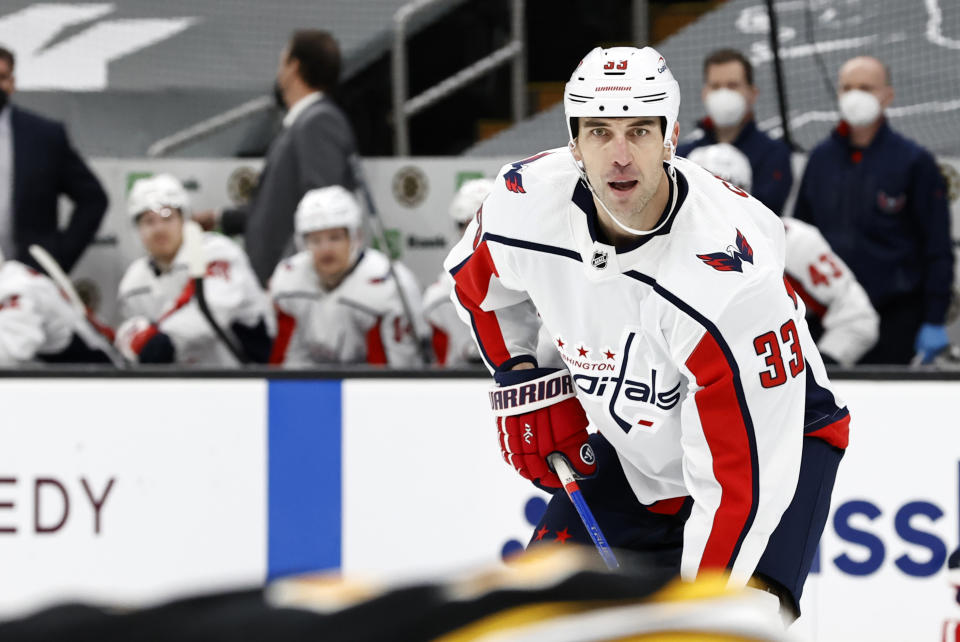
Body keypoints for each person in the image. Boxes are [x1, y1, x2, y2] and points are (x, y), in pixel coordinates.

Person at [444, 46, 849, 621]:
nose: (619, 156)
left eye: (638, 130)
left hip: (774, 447)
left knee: (720, 630)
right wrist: (517, 374)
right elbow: (476, 287)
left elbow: (739, 485)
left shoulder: (726, 279)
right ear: (573, 142)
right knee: (527, 624)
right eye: (599, 132)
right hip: (636, 447)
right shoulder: (524, 205)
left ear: (671, 137)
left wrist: (694, 618)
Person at [794, 55, 954, 365]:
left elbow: (937, 247)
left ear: (887, 95)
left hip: (894, 318)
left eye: (866, 87)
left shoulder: (913, 162)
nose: (855, 95)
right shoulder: (820, 160)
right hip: (828, 317)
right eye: (847, 88)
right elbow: (801, 233)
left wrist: (934, 318)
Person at [688, 143, 879, 366]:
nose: (711, 207)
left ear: (742, 194)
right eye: (700, 194)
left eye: (721, 192)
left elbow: (858, 319)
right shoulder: (656, 248)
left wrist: (814, 375)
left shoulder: (793, 243)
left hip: (779, 383)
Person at [194, 30, 358, 285]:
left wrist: (291, 275)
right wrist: (220, 218)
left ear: (294, 67)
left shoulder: (318, 122)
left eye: (282, 61)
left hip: (293, 286)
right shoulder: (303, 123)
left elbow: (325, 211)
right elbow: (280, 207)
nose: (279, 71)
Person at [116, 174, 273, 366]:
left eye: (167, 217)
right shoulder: (133, 284)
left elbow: (214, 312)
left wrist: (163, 341)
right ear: (137, 229)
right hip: (176, 387)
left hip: (244, 380)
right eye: (149, 221)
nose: (159, 229)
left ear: (184, 219)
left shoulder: (217, 252)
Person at [269, 186, 426, 367]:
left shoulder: (388, 282)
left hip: (368, 387)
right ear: (302, 243)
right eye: (315, 240)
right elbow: (286, 363)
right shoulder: (289, 278)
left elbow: (394, 372)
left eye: (335, 238)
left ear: (355, 237)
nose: (325, 249)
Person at [0, 45, 107, 273]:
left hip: (30, 281)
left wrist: (58, 257)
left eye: (1, 77)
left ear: (12, 82)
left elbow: (93, 198)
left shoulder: (44, 137)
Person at [676, 48, 793, 215]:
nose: (723, 94)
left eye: (732, 86)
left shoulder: (774, 155)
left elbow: (768, 217)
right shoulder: (683, 156)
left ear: (752, 93)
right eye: (715, 86)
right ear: (704, 93)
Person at [0, 247, 112, 365]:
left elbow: (12, 353)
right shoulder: (11, 271)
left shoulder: (14, 290)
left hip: (94, 370)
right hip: (66, 366)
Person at [422, 178, 493, 366]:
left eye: (485, 223)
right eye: (467, 225)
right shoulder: (442, 296)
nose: (477, 234)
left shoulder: (535, 277)